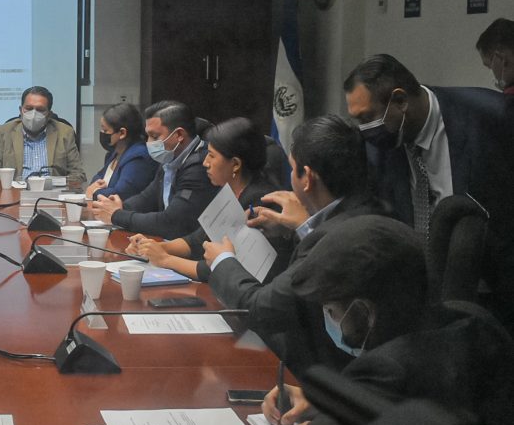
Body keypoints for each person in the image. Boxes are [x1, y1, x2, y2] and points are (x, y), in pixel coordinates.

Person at [255, 216, 514, 425]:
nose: (329, 319)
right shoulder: (472, 320)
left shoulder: (388, 369)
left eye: (331, 310)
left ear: (364, 312)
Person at [197, 115, 385, 375]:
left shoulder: (341, 239)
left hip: (329, 370)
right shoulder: (367, 208)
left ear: (307, 178)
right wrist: (297, 228)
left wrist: (223, 261)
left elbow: (260, 309)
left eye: (291, 168)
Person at [343, 54, 514, 331]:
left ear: (400, 101)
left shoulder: (494, 117)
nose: (364, 130)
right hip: (425, 299)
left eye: (367, 117)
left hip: (497, 291)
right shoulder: (379, 147)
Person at [126, 117, 287, 280]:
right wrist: (153, 247)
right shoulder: (228, 191)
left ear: (235, 164)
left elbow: (223, 269)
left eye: (211, 156)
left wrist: (165, 259)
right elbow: (197, 241)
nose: (205, 163)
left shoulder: (260, 201)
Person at [89, 100, 216, 239]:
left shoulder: (200, 166)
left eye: (154, 136)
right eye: (147, 135)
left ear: (179, 134)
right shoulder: (169, 159)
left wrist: (117, 215)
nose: (148, 142)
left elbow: (171, 223)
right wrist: (119, 207)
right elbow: (147, 198)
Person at [0, 86, 86, 185]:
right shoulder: (3, 132)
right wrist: (16, 185)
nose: (33, 114)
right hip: (16, 191)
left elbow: (78, 175)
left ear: (49, 114)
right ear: (20, 110)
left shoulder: (65, 133)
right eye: (28, 108)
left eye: (40, 110)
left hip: (53, 191)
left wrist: (55, 183)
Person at [84, 103, 154, 200]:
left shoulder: (138, 157)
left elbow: (122, 193)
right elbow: (96, 179)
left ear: (122, 133)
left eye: (105, 130)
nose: (102, 133)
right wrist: (94, 188)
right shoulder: (112, 154)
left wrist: (94, 192)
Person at [475, 17, 514, 96]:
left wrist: (504, 84)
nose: (492, 73)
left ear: (500, 58)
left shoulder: (510, 97)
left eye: (490, 66)